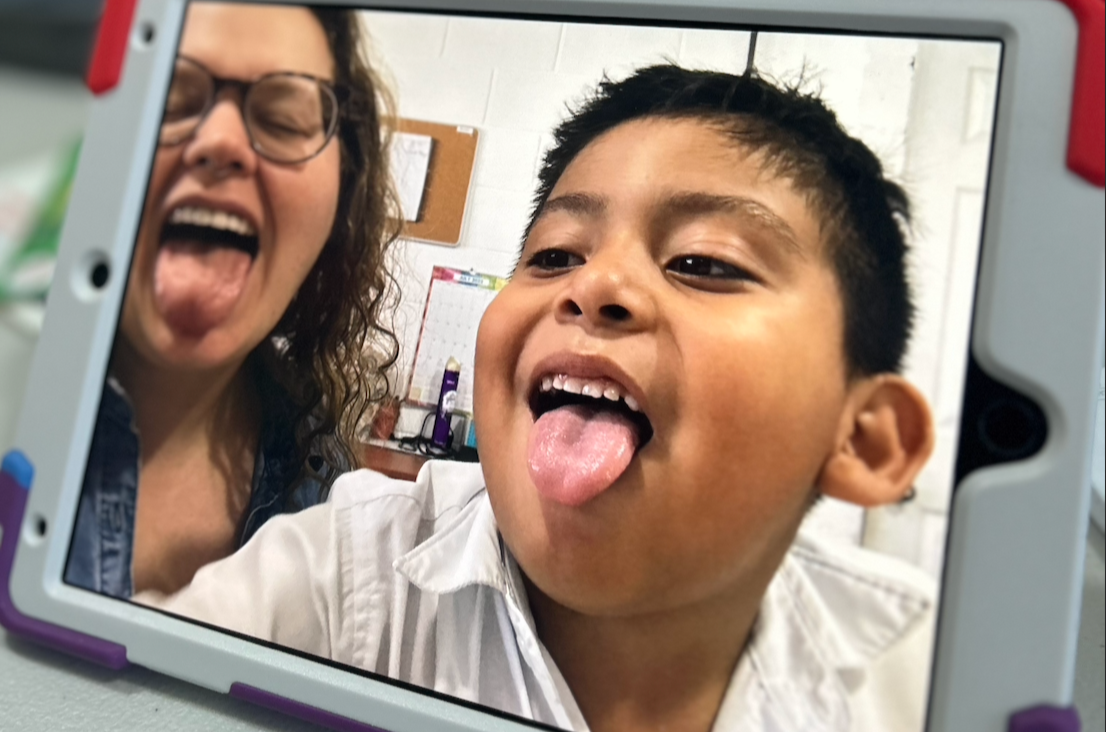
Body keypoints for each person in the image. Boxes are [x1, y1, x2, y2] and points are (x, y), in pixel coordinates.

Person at [140, 65, 937, 732]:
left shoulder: (922, 678)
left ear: (863, 440)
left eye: (704, 262)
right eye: (554, 254)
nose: (595, 286)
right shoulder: (344, 584)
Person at [65, 3, 400, 598]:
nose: (220, 142)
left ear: (340, 202)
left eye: (284, 118)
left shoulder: (322, 487)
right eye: (167, 97)